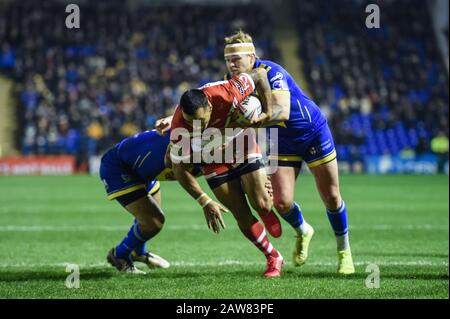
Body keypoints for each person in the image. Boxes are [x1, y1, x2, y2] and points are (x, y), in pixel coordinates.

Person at [220, 31, 354, 274]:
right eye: (228, 60)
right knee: (281, 203)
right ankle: (303, 230)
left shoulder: (272, 72)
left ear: (252, 57)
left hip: (311, 130)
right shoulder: (231, 81)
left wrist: (252, 120)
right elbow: (212, 103)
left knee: (331, 197)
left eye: (236, 59)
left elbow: (281, 111)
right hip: (280, 139)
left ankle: (344, 252)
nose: (231, 65)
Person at [169, 70, 284, 277]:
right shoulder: (180, 124)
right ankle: (273, 257)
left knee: (262, 204)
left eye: (200, 121)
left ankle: (263, 206)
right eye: (190, 121)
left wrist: (266, 112)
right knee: (240, 213)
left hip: (242, 143)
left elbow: (259, 75)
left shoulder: (227, 92)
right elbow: (178, 168)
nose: (196, 125)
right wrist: (203, 200)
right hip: (213, 158)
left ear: (209, 106)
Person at [99, 129, 196, 274]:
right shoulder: (167, 153)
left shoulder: (188, 139)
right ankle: (119, 255)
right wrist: (204, 201)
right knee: (153, 222)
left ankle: (138, 252)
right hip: (119, 168)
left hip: (142, 169)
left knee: (149, 219)